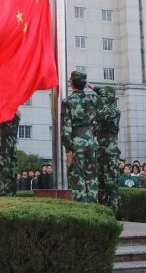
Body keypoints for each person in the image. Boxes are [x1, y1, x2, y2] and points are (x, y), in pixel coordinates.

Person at [61, 71, 102, 203]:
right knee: (92, 178)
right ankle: (93, 208)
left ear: (71, 83)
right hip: (91, 143)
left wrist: (68, 149)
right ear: (84, 84)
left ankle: (83, 209)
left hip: (76, 144)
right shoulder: (92, 99)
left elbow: (66, 127)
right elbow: (108, 95)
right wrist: (93, 87)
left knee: (78, 178)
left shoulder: (67, 101)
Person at [90, 84, 121, 213]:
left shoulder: (113, 110)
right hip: (100, 150)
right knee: (100, 183)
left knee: (110, 183)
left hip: (110, 151)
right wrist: (93, 87)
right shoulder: (103, 109)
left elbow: (100, 118)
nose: (101, 98)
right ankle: (103, 211)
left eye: (103, 96)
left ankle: (114, 211)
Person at [0, 112, 20, 196]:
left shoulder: (16, 115)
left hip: (11, 147)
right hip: (3, 147)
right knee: (1, 169)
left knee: (12, 170)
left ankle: (8, 191)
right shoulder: (3, 113)